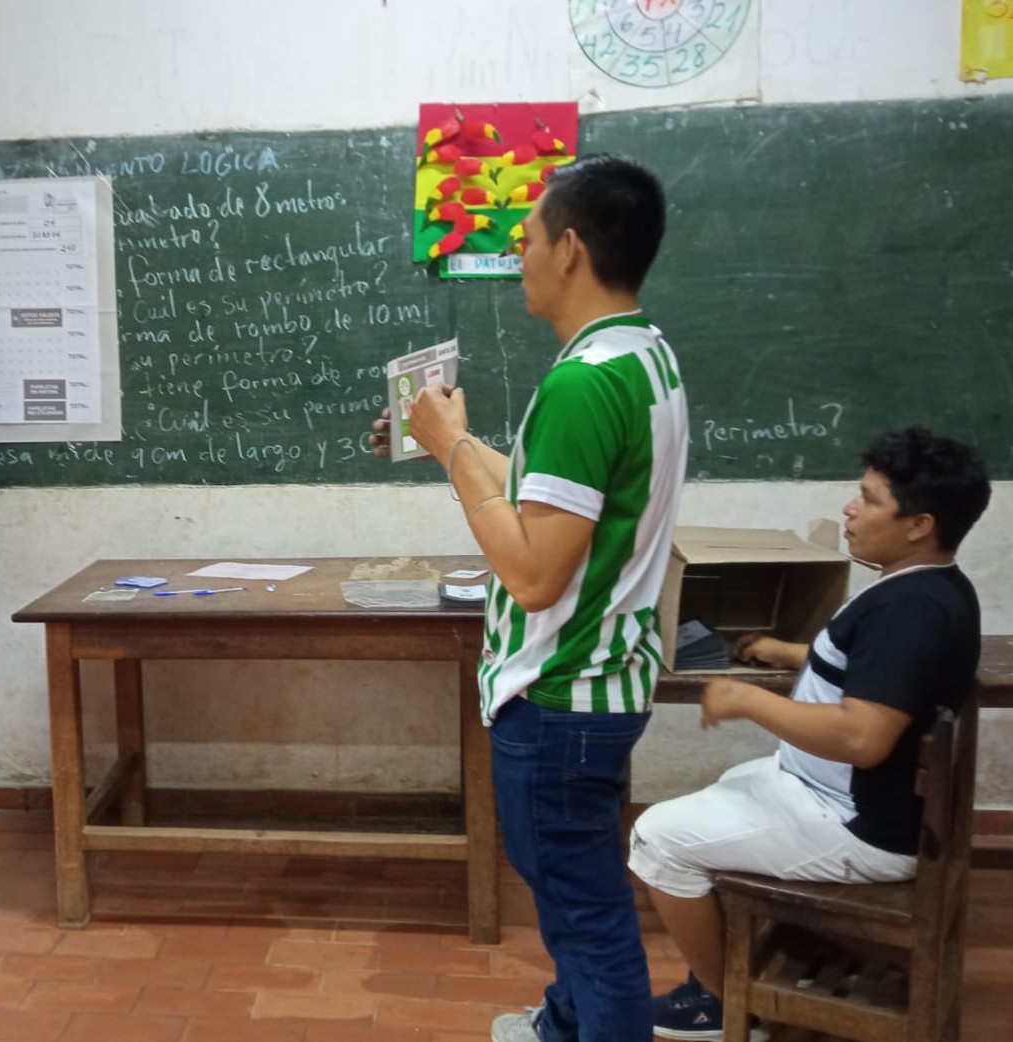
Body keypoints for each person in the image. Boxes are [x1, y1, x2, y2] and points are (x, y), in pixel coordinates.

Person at [370, 153, 688, 1042]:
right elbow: (548, 501)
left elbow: (533, 571)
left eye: (529, 239)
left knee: (585, 913)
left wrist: (449, 457)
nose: (520, 258)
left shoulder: (582, 384)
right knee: (571, 889)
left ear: (571, 250)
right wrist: (460, 443)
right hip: (601, 679)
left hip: (558, 692)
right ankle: (562, 1025)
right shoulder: (641, 358)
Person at [629, 427, 989, 1042]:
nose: (851, 508)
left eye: (870, 499)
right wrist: (791, 652)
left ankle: (729, 1006)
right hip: (851, 797)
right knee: (729, 784)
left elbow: (862, 737)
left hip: (859, 823)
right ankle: (730, 966)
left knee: (656, 839)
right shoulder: (922, 585)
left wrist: (746, 699)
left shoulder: (911, 612)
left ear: (919, 524)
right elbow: (872, 670)